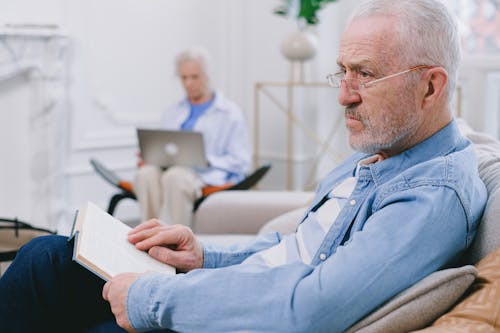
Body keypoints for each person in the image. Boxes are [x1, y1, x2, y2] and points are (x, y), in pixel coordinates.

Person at [0, 0, 488, 332]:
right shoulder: (382, 154)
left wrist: (150, 299)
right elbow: (295, 247)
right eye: (342, 71)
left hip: (232, 316)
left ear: (430, 86)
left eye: (365, 74)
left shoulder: (432, 193)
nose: (343, 94)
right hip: (218, 287)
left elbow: (312, 306)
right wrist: (202, 255)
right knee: (46, 255)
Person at [134, 47, 251, 227]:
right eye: (184, 77)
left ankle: (173, 243)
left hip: (205, 174)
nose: (188, 83)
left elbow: (242, 162)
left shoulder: (230, 113)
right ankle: (149, 235)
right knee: (146, 174)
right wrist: (150, 157)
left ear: (207, 76)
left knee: (175, 176)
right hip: (168, 169)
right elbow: (166, 147)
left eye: (194, 77)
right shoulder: (173, 111)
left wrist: (207, 160)